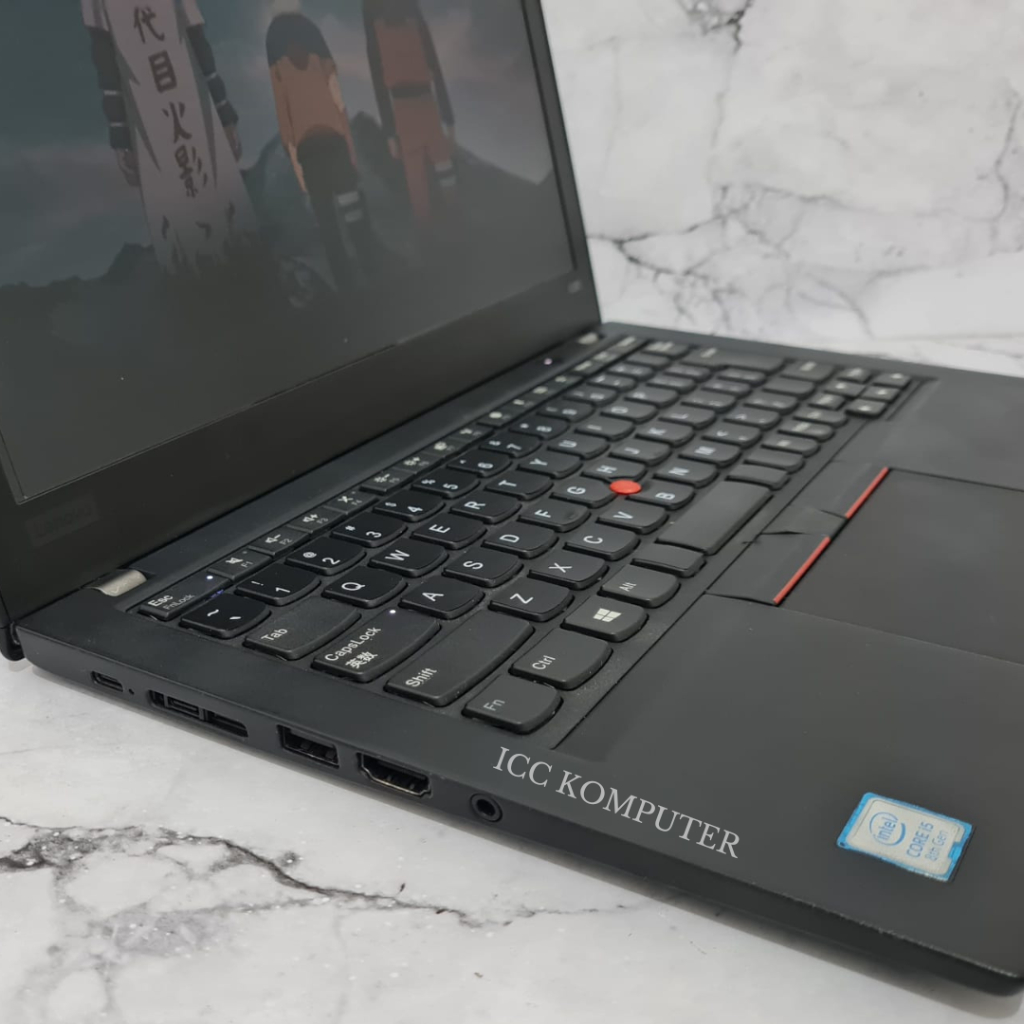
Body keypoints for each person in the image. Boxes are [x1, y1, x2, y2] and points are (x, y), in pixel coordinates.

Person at [82, 0, 256, 274]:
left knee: (227, 235)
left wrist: (223, 112)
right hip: (154, 127)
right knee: (192, 247)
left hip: (191, 115)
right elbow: (105, 59)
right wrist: (121, 136)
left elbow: (196, 38)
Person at [267, 12, 373, 291]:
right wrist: (350, 152)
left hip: (311, 155)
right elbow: (340, 107)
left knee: (329, 227)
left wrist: (300, 173)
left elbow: (286, 128)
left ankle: (347, 285)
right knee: (353, 216)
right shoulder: (322, 62)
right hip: (334, 146)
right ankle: (372, 271)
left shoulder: (278, 71)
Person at [364, 0, 457, 227]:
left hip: (409, 106)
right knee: (434, 176)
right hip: (420, 104)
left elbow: (378, 76)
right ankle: (447, 226)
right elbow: (432, 60)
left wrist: (389, 132)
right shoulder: (381, 9)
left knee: (422, 181)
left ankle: (438, 229)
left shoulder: (372, 9)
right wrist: (448, 117)